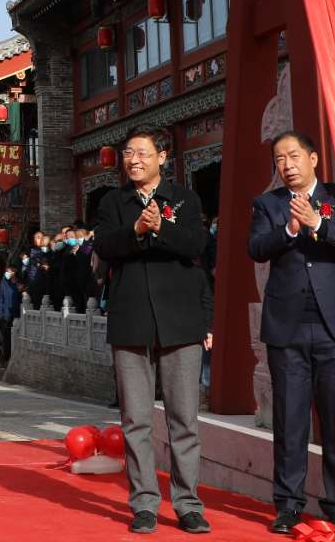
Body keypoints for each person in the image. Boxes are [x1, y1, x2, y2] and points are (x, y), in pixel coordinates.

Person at [95, 127, 213, 536]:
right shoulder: (112, 202)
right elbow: (106, 247)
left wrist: (161, 228)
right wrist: (137, 233)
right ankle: (144, 502)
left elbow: (196, 246)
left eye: (142, 153)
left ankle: (187, 503)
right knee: (136, 420)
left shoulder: (185, 199)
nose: (133, 160)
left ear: (162, 156)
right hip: (130, 321)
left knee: (184, 419)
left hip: (180, 322)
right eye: (128, 153)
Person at [250, 130, 335, 537]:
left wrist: (319, 224)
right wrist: (291, 231)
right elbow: (256, 248)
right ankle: (288, 505)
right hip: (288, 328)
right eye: (279, 159)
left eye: (293, 156)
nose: (287, 164)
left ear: (313, 158)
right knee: (290, 420)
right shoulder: (268, 203)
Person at [0, 266, 20, 364]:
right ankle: (7, 357)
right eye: (6, 271)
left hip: (16, 314)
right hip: (5, 315)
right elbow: (0, 299)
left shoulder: (17, 283)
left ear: (14, 272)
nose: (7, 273)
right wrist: (0, 312)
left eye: (9, 271)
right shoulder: (3, 283)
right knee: (7, 337)